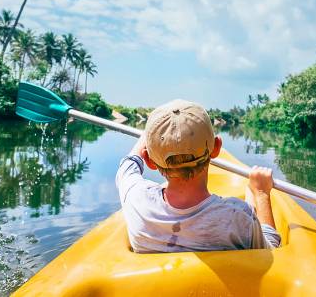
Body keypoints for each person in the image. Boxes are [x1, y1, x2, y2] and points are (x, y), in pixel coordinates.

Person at [115, 99, 281, 253]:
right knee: (252, 191)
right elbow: (272, 252)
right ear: (216, 148)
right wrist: (260, 193)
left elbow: (128, 165)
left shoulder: (136, 198)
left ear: (150, 161)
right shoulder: (237, 218)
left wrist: (151, 134)